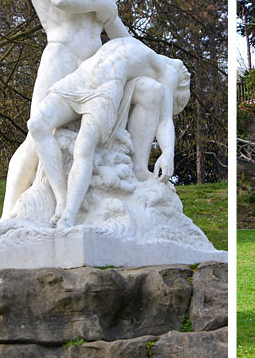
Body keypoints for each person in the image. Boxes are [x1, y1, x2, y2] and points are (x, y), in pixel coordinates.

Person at [0, 0, 133, 222]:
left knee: (91, 146)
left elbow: (122, 37)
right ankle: (7, 217)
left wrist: (108, 11)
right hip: (61, 57)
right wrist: (102, 3)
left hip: (95, 69)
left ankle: (79, 210)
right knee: (37, 137)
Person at [26, 37, 190, 228]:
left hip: (106, 89)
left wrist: (168, 152)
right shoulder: (135, 43)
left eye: (185, 82)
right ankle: (61, 200)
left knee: (84, 147)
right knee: (37, 125)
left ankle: (69, 214)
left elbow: (164, 118)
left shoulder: (167, 72)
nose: (186, 72)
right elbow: (110, 18)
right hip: (80, 78)